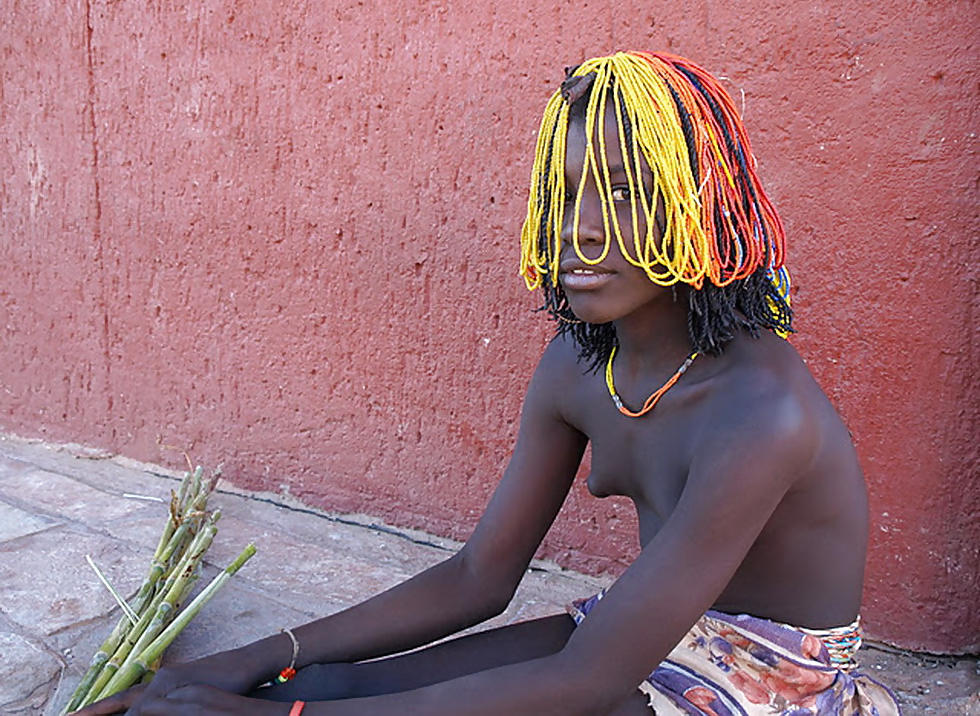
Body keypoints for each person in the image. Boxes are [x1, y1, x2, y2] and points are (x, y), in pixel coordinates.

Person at [73, 51, 900, 715]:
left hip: (772, 682)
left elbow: (584, 684)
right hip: (645, 631)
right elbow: (479, 577)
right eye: (567, 192)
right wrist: (249, 662)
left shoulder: (764, 414)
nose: (579, 229)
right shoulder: (579, 366)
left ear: (700, 202)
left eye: (622, 193)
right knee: (325, 688)